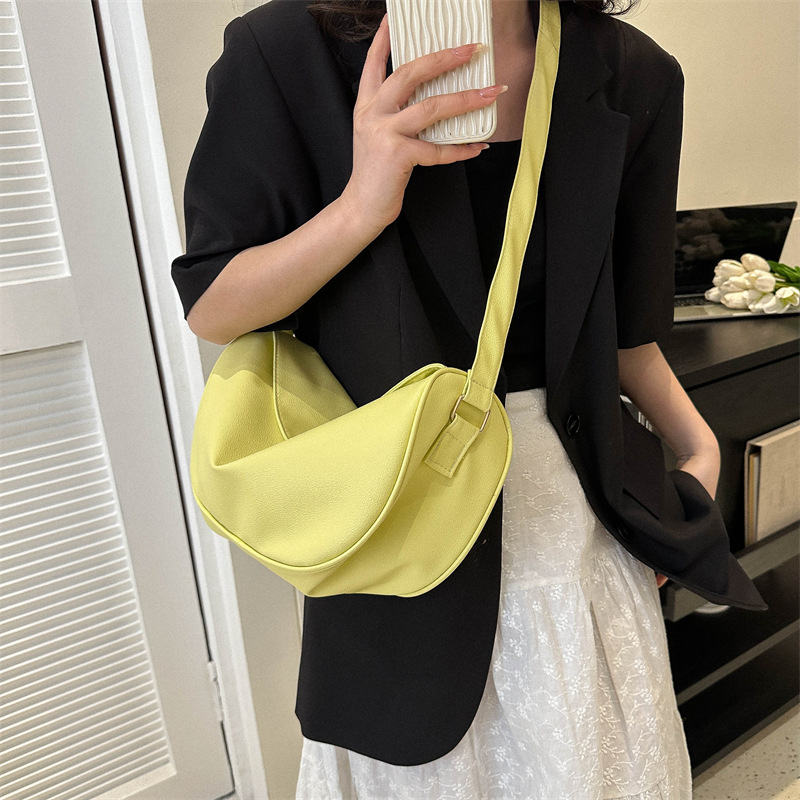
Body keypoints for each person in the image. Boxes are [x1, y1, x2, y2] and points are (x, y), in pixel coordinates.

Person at [172, 0, 766, 796]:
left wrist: (698, 446)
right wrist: (362, 203)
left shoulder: (633, 71)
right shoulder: (285, 52)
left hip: (577, 531)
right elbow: (216, 307)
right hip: (396, 527)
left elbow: (623, 331)